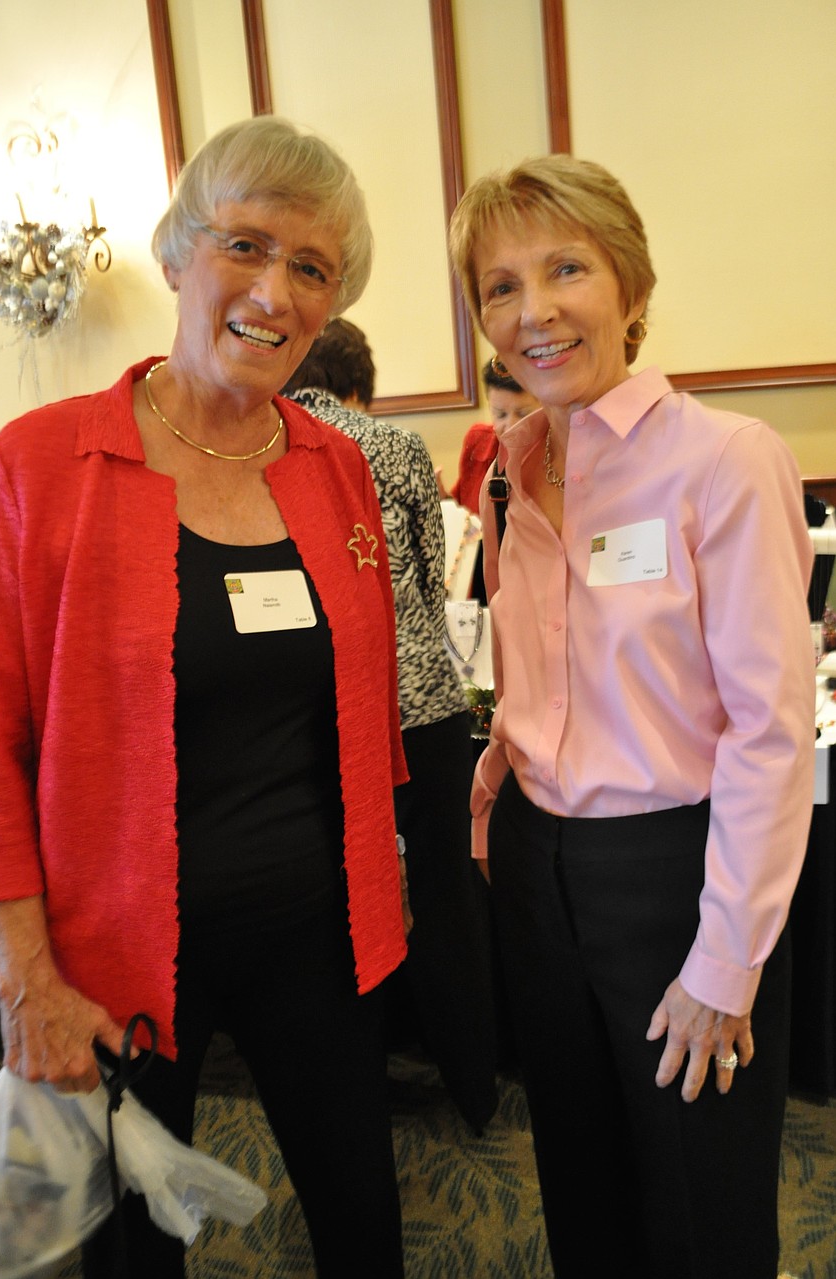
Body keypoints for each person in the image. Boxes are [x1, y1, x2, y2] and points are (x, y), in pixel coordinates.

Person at [0, 116, 411, 1278]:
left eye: (311, 268)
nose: (273, 291)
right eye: (244, 245)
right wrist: (25, 977)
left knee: (364, 1224)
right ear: (177, 256)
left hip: (320, 936)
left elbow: (360, 710)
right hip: (111, 953)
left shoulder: (338, 472)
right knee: (133, 1251)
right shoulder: (38, 465)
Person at [448, 153, 815, 1278]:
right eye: (500, 286)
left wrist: (724, 958)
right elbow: (541, 675)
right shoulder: (515, 464)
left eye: (566, 268)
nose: (533, 310)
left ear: (631, 287)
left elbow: (770, 728)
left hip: (674, 874)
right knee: (580, 1177)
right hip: (538, 868)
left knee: (700, 1198)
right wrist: (495, 791)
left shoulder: (723, 460)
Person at [283, 319, 499, 1129]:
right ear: (359, 383)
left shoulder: (266, 445)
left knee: (341, 899)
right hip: (424, 703)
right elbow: (420, 568)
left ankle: (356, 1084)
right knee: (445, 895)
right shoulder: (398, 447)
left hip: (326, 707)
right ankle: (474, 1083)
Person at [441, 357, 540, 514]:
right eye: (500, 414)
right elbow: (467, 515)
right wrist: (441, 500)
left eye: (523, 414)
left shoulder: (562, 452)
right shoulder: (479, 441)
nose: (511, 426)